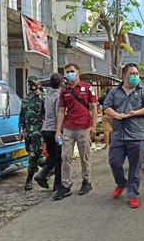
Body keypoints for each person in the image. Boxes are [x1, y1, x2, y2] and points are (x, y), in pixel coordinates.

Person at [103, 63, 144, 208]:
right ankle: (121, 183)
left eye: (137, 74)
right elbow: (106, 107)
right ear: (124, 75)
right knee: (114, 162)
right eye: (132, 74)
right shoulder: (114, 91)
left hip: (137, 134)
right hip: (119, 134)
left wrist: (135, 113)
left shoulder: (143, 91)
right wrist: (116, 115)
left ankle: (133, 194)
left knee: (135, 167)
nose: (135, 76)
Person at [53, 63, 98, 201]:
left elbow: (94, 107)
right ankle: (65, 185)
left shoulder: (87, 88)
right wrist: (58, 130)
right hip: (68, 127)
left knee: (85, 156)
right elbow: (61, 110)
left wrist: (94, 126)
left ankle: (86, 181)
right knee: (65, 156)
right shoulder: (64, 91)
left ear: (78, 72)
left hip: (84, 127)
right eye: (67, 72)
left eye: (72, 71)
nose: (70, 74)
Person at [36, 73, 63, 192]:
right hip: (54, 130)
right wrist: (60, 130)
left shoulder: (47, 96)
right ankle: (57, 184)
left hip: (46, 129)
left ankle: (43, 174)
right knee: (58, 158)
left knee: (52, 155)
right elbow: (59, 115)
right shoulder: (58, 97)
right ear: (61, 83)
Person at [19, 76, 46, 191]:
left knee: (33, 156)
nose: (31, 86)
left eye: (33, 83)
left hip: (38, 133)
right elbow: (22, 116)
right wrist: (21, 130)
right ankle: (49, 169)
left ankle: (29, 180)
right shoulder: (25, 100)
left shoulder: (43, 99)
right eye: (30, 84)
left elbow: (46, 116)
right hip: (28, 133)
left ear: (38, 85)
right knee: (34, 155)